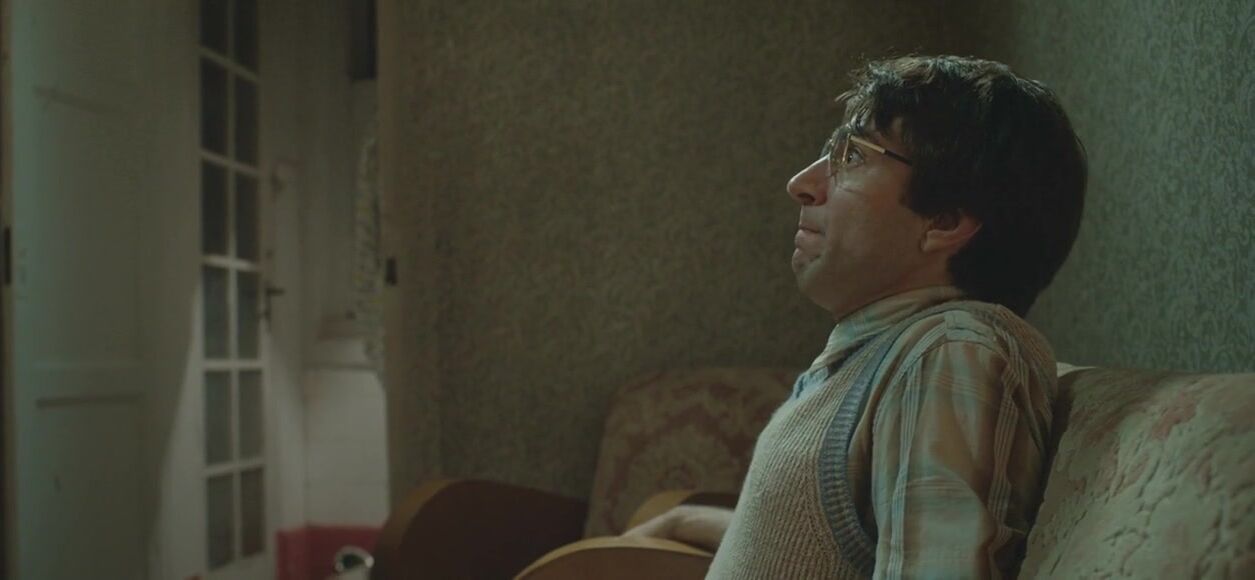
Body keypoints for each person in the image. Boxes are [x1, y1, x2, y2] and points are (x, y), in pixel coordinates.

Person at [624, 55, 1088, 579]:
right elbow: (816, 543)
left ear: (944, 221)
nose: (801, 183)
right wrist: (687, 520)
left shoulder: (952, 350)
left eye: (852, 155)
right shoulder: (884, 353)